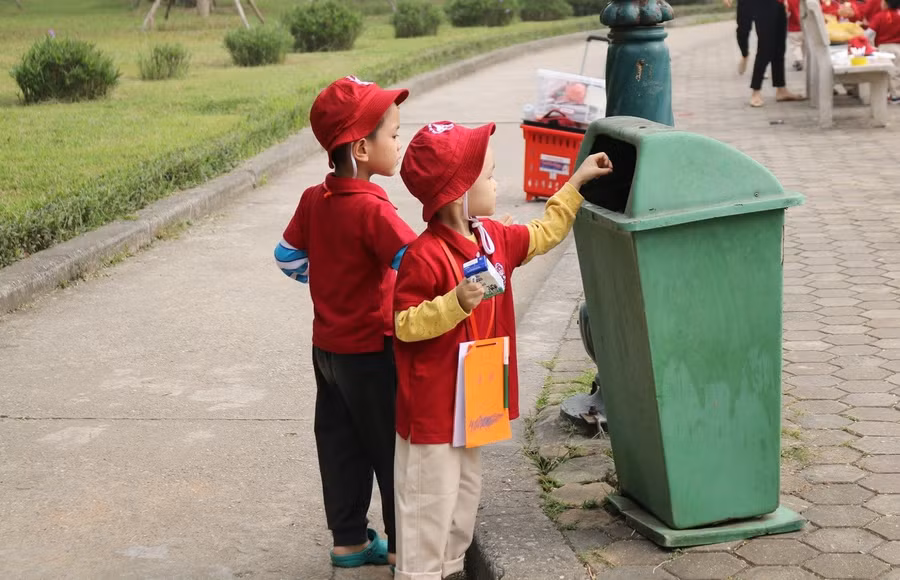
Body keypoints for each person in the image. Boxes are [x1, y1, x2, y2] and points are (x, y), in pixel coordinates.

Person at [391, 120, 613, 580]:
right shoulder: (424, 255)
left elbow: (544, 233)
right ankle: (420, 574)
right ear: (456, 193)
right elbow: (404, 325)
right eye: (489, 176)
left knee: (463, 500)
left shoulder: (492, 238)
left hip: (473, 405)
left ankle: (450, 570)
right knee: (428, 506)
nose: (498, 183)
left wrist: (575, 183)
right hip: (432, 413)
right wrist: (455, 303)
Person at [274, 75, 416, 569]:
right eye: (393, 134)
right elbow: (416, 265)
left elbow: (286, 255)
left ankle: (349, 541)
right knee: (390, 450)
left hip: (327, 351)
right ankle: (404, 549)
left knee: (339, 443)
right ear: (361, 148)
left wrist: (329, 278)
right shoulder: (374, 209)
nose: (399, 143)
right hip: (373, 353)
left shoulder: (316, 198)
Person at [750, 0, 805, 106]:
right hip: (763, 5)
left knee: (779, 48)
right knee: (765, 48)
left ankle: (781, 89)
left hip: (780, 4)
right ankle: (755, 91)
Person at [869, 0, 900, 102]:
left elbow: (870, 32)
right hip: (898, 46)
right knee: (897, 71)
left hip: (884, 48)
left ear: (886, 4)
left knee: (887, 73)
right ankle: (896, 93)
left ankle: (893, 95)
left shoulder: (880, 16)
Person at [726, 0, 757, 74]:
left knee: (765, 32)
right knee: (742, 32)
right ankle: (745, 54)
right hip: (744, 4)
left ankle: (762, 66)